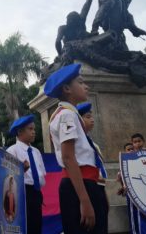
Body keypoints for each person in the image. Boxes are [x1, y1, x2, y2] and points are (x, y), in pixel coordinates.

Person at [45, 63, 107, 234]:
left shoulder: (69, 114)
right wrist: (85, 200)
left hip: (83, 182)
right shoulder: (67, 115)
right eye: (80, 82)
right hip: (80, 184)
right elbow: (68, 157)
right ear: (66, 88)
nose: (86, 86)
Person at [6, 114, 46, 234]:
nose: (34, 132)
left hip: (36, 193)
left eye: (34, 129)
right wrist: (20, 170)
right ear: (19, 132)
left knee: (36, 226)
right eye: (30, 129)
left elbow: (41, 173)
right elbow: (8, 178)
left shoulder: (36, 152)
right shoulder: (12, 151)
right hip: (22, 193)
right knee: (24, 227)